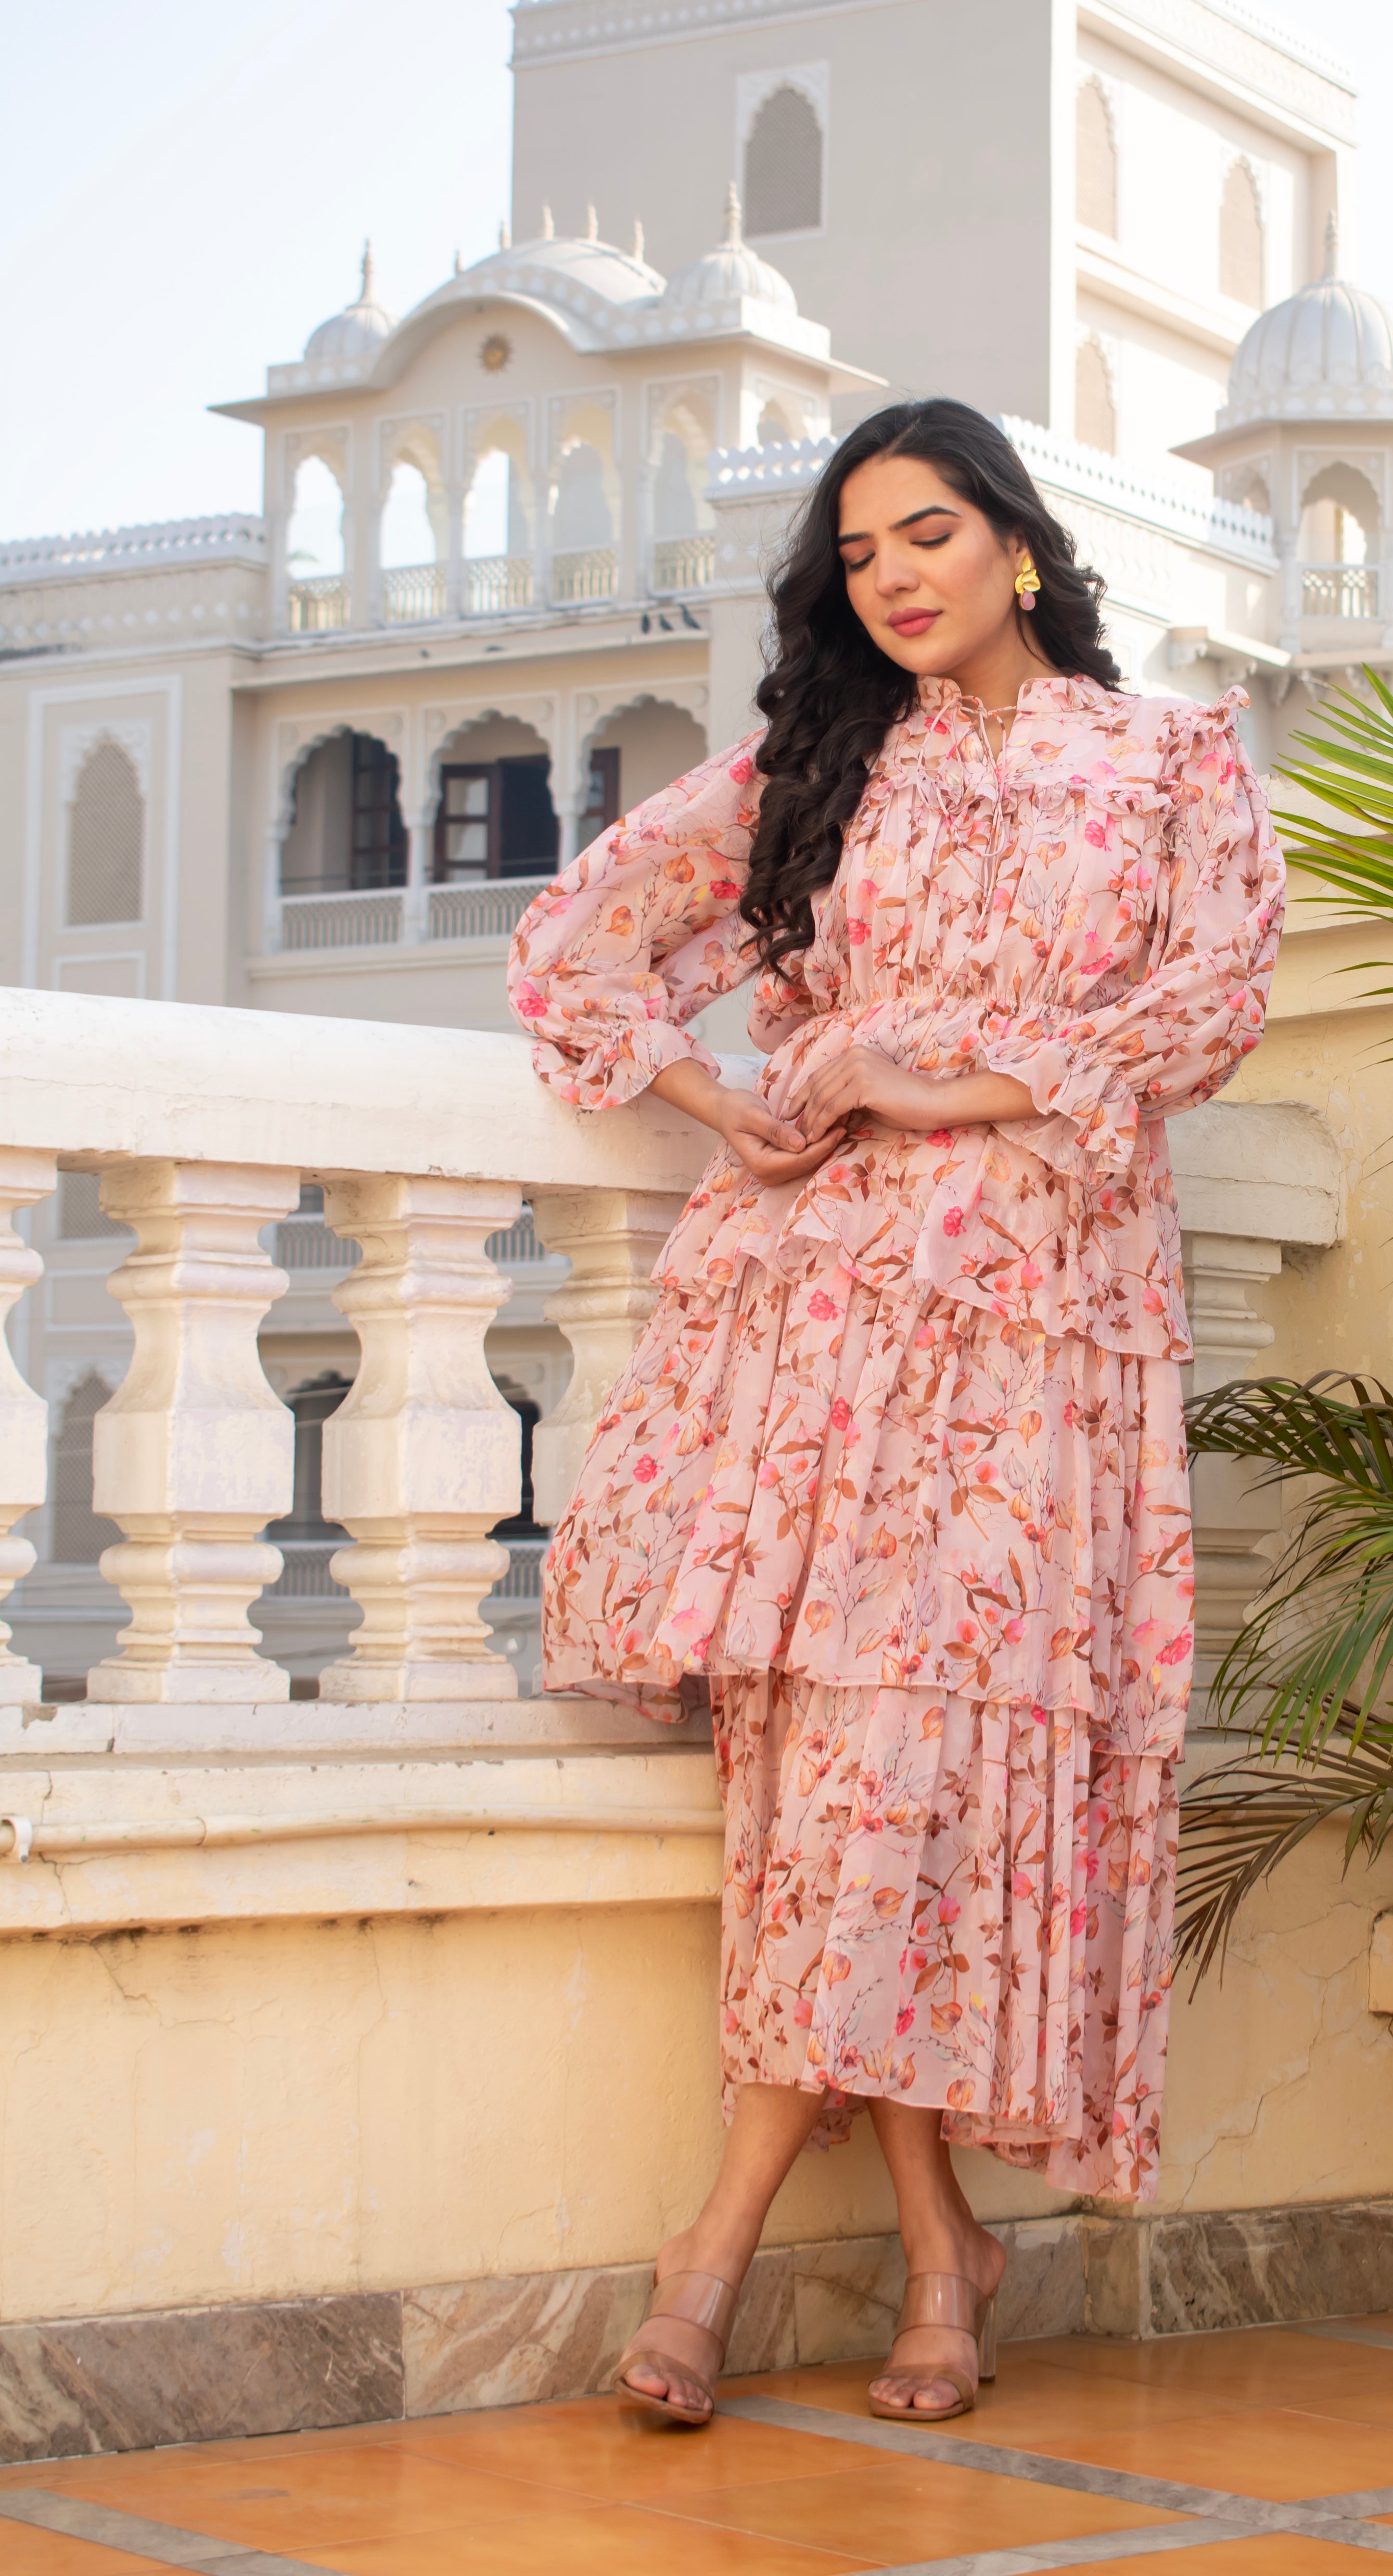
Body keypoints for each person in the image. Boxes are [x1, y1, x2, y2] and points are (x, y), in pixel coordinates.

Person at [508, 398, 1283, 2428]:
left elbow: (1203, 1003)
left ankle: (798, 2254)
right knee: (839, 1771)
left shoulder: (1168, 758)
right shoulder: (817, 769)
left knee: (928, 1774)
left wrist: (937, 1072)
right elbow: (574, 937)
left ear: (1017, 543)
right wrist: (727, 1102)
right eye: (857, 554)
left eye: (927, 531)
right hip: (837, 1325)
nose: (895, 575)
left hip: (1048, 1331)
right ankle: (883, 2257)